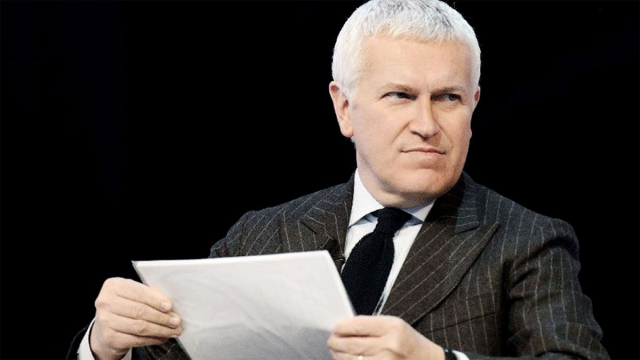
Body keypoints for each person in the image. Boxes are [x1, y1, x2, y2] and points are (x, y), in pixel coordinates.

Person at [69, 0, 609, 359]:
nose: (427, 124)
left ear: (473, 106)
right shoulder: (261, 235)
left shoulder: (528, 241)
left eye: (448, 98)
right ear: (344, 108)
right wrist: (104, 346)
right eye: (400, 96)